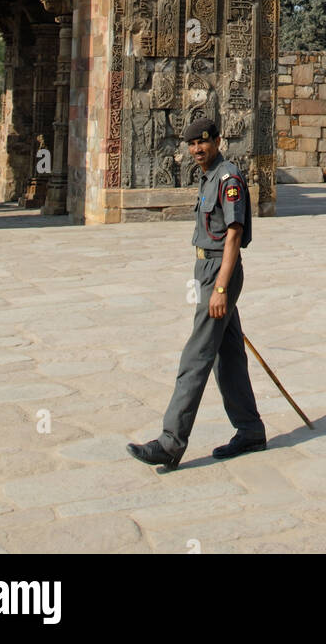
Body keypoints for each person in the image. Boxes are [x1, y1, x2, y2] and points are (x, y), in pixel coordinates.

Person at [126, 118, 266, 470]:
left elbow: (234, 236)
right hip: (208, 271)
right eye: (191, 145)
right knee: (228, 356)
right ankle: (250, 430)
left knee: (196, 357)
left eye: (203, 143)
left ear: (218, 141)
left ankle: (171, 441)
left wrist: (220, 288)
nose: (196, 150)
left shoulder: (228, 178)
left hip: (221, 272)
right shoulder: (207, 177)